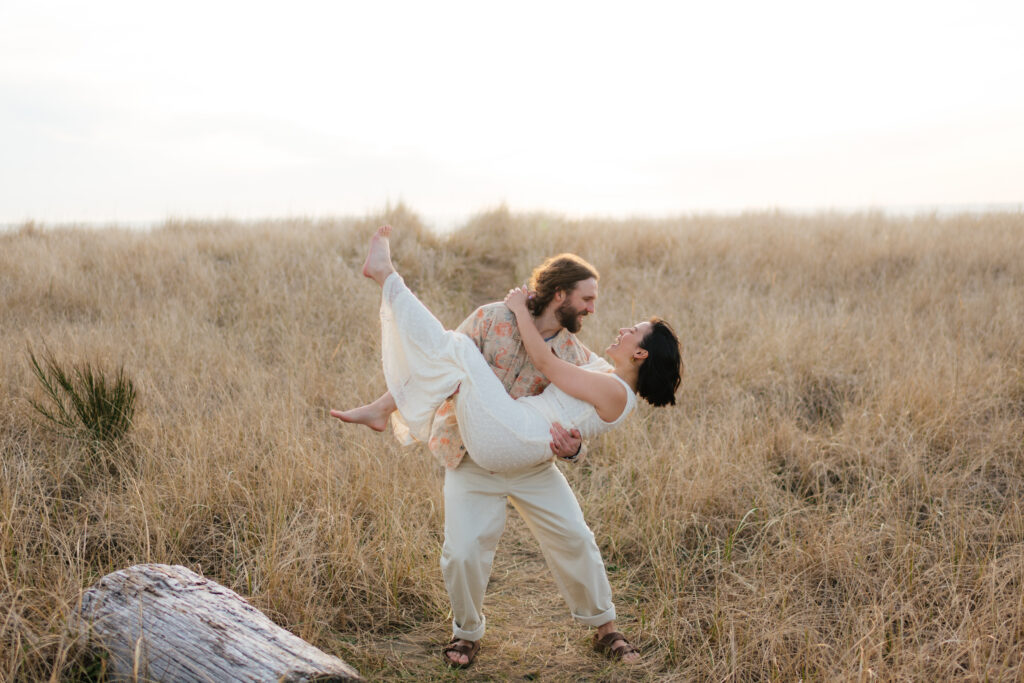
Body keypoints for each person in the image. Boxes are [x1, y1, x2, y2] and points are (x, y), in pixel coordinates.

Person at [332, 225, 682, 666]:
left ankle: (606, 629)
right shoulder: (491, 318)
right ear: (560, 295)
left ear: (639, 354)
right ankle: (466, 633)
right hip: (476, 455)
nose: (595, 310)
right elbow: (434, 369)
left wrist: (575, 451)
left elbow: (558, 380)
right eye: (587, 299)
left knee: (576, 539)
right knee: (460, 553)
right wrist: (390, 404)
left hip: (528, 457)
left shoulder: (576, 355)